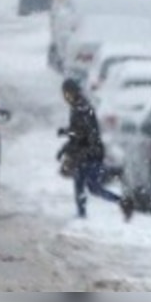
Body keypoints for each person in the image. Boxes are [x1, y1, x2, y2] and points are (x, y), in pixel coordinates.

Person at [57, 78, 133, 221]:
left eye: (66, 93)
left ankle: (122, 201)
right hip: (86, 153)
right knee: (81, 185)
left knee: (93, 187)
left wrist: (68, 136)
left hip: (90, 154)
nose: (65, 97)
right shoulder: (79, 107)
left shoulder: (82, 109)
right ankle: (82, 213)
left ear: (71, 92)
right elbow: (79, 133)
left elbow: (82, 133)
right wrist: (66, 146)